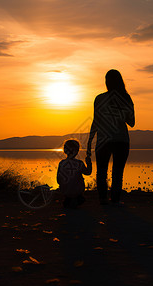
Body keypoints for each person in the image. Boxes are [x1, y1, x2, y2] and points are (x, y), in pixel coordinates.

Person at [87, 69, 135, 205]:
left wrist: (90, 141)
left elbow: (95, 121)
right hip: (121, 140)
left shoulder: (100, 98)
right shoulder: (126, 98)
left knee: (101, 172)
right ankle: (115, 200)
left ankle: (103, 199)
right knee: (117, 173)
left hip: (103, 140)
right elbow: (132, 122)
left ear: (106, 82)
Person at [57, 139, 92, 208]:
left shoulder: (61, 163)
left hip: (65, 190)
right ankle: (76, 198)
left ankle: (69, 199)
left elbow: (58, 179)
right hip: (78, 190)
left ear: (65, 151)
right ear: (77, 151)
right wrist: (89, 163)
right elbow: (88, 172)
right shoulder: (79, 163)